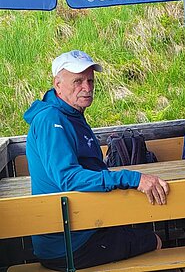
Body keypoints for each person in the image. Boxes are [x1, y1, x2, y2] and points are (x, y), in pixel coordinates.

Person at [24, 50, 169, 271]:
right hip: (68, 244)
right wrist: (131, 178)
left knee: (142, 229)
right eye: (78, 81)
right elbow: (68, 178)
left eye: (90, 80)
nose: (87, 87)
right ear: (58, 84)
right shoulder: (51, 120)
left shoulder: (72, 115)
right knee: (155, 241)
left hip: (87, 225)